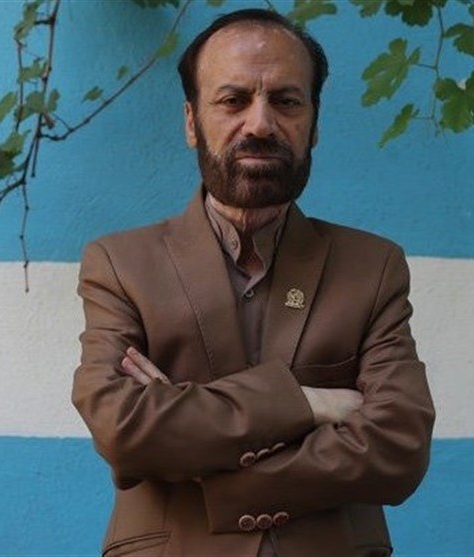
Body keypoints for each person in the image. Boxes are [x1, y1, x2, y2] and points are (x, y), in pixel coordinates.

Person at [72, 8, 435, 557]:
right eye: (233, 100)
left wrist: (191, 439)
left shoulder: (372, 267)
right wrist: (308, 404)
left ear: (314, 122)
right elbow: (122, 429)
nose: (260, 124)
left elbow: (398, 446)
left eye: (286, 101)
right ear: (192, 121)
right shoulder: (121, 265)